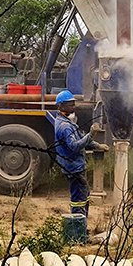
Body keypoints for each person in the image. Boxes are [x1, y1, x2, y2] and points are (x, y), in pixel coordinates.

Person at [50, 90, 107, 219]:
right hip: (73, 168)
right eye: (70, 104)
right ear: (61, 106)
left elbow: (80, 138)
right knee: (79, 200)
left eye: (73, 104)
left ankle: (81, 226)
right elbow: (75, 146)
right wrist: (91, 134)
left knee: (84, 196)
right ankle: (77, 230)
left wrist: (96, 145)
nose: (73, 107)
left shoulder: (69, 122)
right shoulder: (64, 126)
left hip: (76, 166)